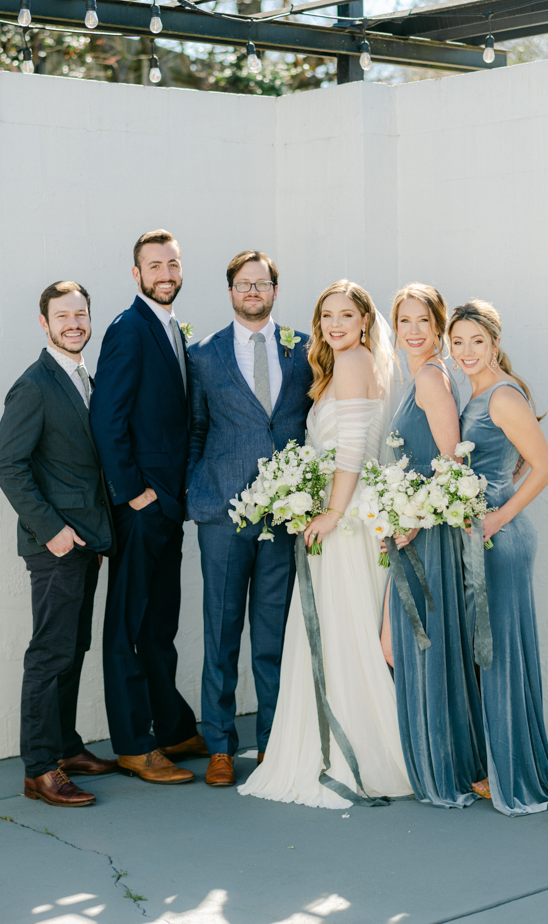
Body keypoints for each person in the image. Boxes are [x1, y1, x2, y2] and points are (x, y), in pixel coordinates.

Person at [239, 281, 412, 808]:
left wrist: (332, 512)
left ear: (364, 320)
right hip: (349, 509)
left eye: (346, 315)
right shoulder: (349, 363)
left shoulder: (356, 361)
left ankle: (359, 752)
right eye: (326, 316)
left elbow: (355, 447)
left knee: (344, 631)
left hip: (348, 517)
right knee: (345, 629)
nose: (335, 324)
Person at [187, 250, 312, 788]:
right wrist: (199, 491)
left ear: (274, 291)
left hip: (284, 516)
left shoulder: (305, 351)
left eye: (262, 283)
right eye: (244, 284)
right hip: (223, 513)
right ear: (231, 291)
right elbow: (193, 428)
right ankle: (219, 746)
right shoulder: (204, 356)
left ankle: (272, 741)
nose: (253, 291)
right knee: (221, 631)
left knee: (273, 633)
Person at [0, 281, 118, 808]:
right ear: (44, 323)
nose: (73, 323)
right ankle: (40, 769)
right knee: (49, 653)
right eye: (62, 316)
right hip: (56, 546)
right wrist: (52, 530)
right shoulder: (35, 385)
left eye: (81, 314)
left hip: (88, 539)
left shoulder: (86, 376)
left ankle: (65, 746)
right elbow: (8, 465)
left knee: (74, 648)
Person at [90, 230, 205, 787]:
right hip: (141, 506)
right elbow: (106, 420)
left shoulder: (172, 329)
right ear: (136, 274)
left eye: (173, 263)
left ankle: (174, 727)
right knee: (129, 626)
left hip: (168, 505)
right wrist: (132, 491)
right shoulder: (127, 329)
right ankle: (135, 744)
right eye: (154, 265)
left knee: (161, 624)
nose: (166, 272)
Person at [449, 299, 548, 816]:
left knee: (498, 652)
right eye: (457, 342)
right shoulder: (474, 393)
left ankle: (511, 774)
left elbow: (544, 466)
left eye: (477, 341)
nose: (467, 351)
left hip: (501, 540)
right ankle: (498, 765)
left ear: (495, 343)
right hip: (483, 533)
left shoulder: (501, 395)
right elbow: (506, 464)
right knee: (487, 649)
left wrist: (498, 515)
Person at [381, 284, 486, 808]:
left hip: (426, 535)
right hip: (413, 527)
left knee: (425, 645)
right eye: (405, 321)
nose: (414, 330)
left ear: (439, 326)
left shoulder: (429, 377)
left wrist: (415, 518)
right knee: (411, 644)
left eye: (423, 320)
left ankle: (443, 769)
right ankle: (441, 761)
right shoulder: (423, 376)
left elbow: (453, 462)